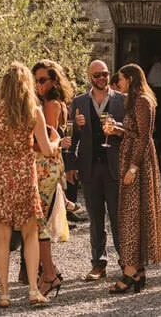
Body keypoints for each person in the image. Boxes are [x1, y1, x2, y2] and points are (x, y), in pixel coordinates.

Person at [0, 62, 56, 307]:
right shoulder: (34, 111)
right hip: (24, 173)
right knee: (30, 233)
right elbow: (45, 150)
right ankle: (33, 290)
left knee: (1, 237)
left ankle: (4, 294)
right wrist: (56, 143)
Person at [104, 64, 161, 294]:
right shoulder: (137, 100)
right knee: (132, 214)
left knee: (130, 215)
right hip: (132, 160)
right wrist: (118, 129)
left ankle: (129, 271)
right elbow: (135, 132)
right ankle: (137, 269)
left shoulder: (142, 100)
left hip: (138, 164)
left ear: (129, 78)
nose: (117, 84)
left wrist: (134, 167)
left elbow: (144, 137)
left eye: (119, 80)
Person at [67, 59, 126, 282]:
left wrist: (117, 130)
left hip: (113, 166)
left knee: (117, 216)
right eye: (97, 75)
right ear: (89, 77)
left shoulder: (122, 101)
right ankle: (98, 263)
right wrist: (70, 165)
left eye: (105, 74)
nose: (102, 79)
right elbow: (73, 137)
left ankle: (125, 262)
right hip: (90, 167)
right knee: (95, 218)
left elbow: (131, 133)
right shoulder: (79, 102)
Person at [30, 60, 71, 299]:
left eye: (43, 80)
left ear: (54, 80)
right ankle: (48, 271)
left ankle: (48, 275)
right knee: (39, 222)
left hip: (45, 167)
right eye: (36, 81)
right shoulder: (53, 103)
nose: (38, 85)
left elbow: (46, 142)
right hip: (49, 166)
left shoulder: (51, 105)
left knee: (39, 223)